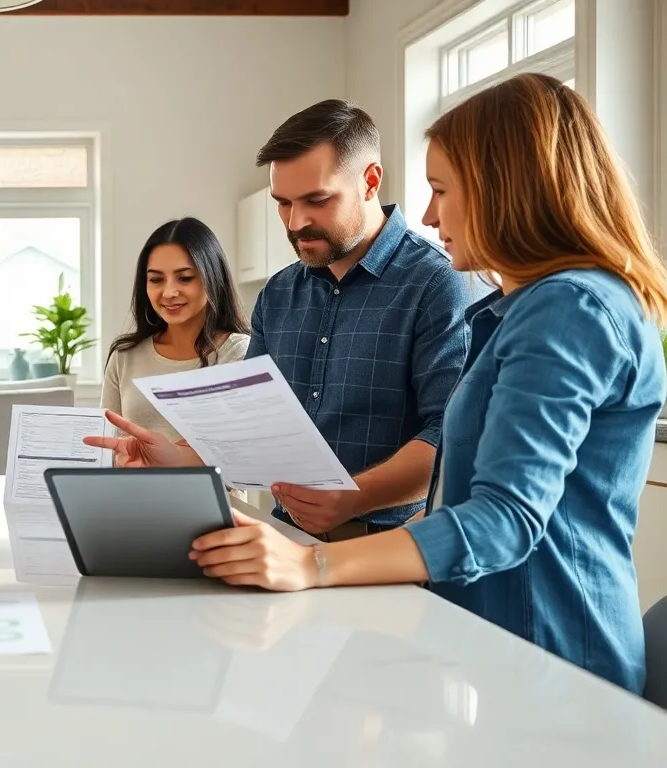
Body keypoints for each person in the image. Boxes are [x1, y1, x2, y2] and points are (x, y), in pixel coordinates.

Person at [89, 73, 667, 694]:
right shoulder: (522, 308)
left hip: (553, 653)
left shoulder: (567, 309)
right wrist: (179, 457)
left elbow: (501, 518)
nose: (426, 212)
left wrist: (313, 563)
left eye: (443, 189)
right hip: (495, 640)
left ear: (507, 190)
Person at [237, 99, 471, 540]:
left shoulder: (436, 283)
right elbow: (252, 418)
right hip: (285, 534)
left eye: (317, 200)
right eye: (282, 203)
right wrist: (177, 459)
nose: (295, 221)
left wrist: (354, 496)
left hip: (389, 547)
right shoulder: (279, 293)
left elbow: (451, 433)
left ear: (370, 181)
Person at [101, 217, 250, 443]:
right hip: (131, 479)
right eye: (156, 279)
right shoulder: (124, 357)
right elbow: (107, 448)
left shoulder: (238, 353)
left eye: (185, 278)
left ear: (213, 277)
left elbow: (237, 446)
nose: (169, 292)